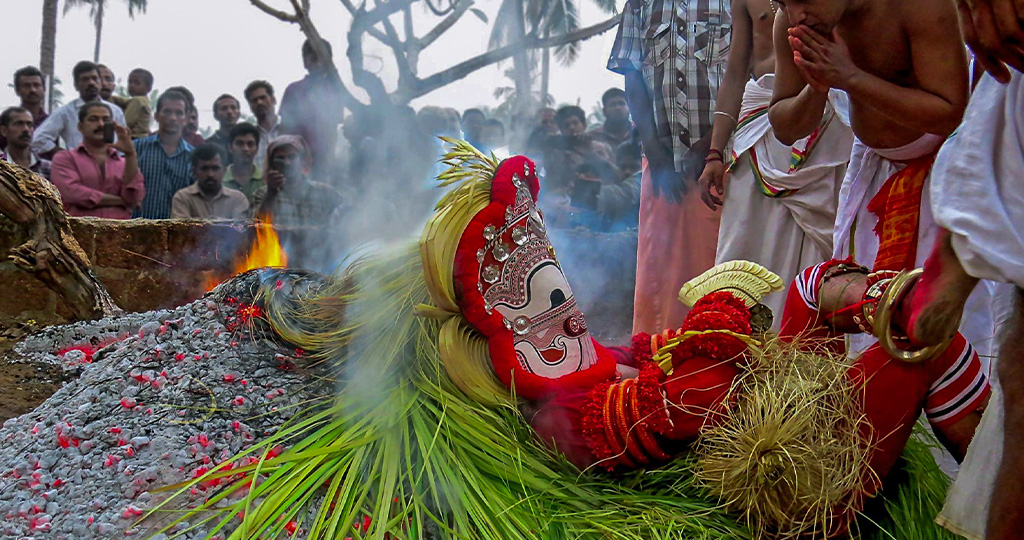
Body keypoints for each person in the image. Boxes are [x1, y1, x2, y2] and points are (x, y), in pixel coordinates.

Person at [767, 0, 1004, 357]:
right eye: (783, 2)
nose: (795, 14)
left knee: (953, 328)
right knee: (869, 323)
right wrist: (816, 88)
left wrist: (849, 78)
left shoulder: (919, 7)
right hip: (873, 174)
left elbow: (950, 113)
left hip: (946, 173)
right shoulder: (794, 20)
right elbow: (784, 127)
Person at [695, 0, 853, 328]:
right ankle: (730, 342)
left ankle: (807, 344)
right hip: (759, 130)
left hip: (829, 124)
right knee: (743, 243)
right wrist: (715, 152)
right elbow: (736, 71)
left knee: (821, 249)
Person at [608, 0, 729, 333]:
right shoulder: (641, 4)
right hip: (663, 167)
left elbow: (749, 73)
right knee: (662, 280)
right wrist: (657, 154)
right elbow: (632, 80)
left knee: (723, 268)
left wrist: (710, 146)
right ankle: (663, 365)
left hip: (724, 164)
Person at [48, 102, 144, 219]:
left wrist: (130, 154)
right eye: (93, 119)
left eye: (106, 120)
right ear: (80, 127)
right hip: (80, 233)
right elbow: (73, 194)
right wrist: (121, 201)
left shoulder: (124, 163)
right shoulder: (64, 159)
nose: (101, 124)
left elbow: (133, 197)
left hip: (119, 234)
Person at [280, 38, 346, 177]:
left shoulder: (335, 91)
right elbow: (284, 130)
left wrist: (330, 158)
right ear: (305, 62)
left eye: (323, 58)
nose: (319, 63)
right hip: (297, 161)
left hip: (325, 162)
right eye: (313, 58)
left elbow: (334, 129)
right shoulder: (294, 90)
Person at [32, 61, 126, 157]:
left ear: (100, 83)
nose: (91, 83)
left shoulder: (115, 111)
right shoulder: (66, 112)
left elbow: (123, 145)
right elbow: (37, 140)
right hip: (77, 169)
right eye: (85, 79)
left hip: (111, 168)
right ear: (76, 85)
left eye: (95, 78)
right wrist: (67, 156)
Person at [252, 135, 343, 227]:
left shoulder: (325, 193)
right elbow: (257, 227)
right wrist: (271, 194)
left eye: (292, 157)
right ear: (272, 164)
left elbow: (349, 216)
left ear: (302, 160)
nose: (287, 163)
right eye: (280, 158)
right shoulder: (262, 194)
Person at [134, 90, 194, 219]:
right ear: (156, 116)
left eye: (179, 113)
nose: (173, 118)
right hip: (137, 228)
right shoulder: (137, 148)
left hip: (175, 231)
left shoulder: (193, 157)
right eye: (167, 111)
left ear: (186, 119)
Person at [170, 143, 249, 220]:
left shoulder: (237, 199)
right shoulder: (183, 198)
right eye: (204, 169)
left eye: (215, 168)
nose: (210, 174)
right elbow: (181, 231)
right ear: (194, 171)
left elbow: (241, 230)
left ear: (224, 170)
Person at [0, 67, 49, 151]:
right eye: (27, 86)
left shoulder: (51, 121)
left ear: (44, 89)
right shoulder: (6, 120)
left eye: (36, 85)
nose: (32, 90)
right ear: (17, 90)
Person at [0, 107, 52, 180]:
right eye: (19, 124)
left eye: (29, 124)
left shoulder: (48, 168)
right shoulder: (1, 168)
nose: (26, 129)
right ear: (4, 131)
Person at [222, 122, 264, 205]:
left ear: (257, 149)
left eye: (250, 144)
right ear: (230, 148)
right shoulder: (219, 179)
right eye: (240, 144)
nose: (245, 149)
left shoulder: (265, 180)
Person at [108, 68, 153, 139]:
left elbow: (126, 122)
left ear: (149, 88)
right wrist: (111, 97)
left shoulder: (138, 100)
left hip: (135, 138)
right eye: (130, 82)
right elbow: (124, 101)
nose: (132, 86)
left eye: (137, 83)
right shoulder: (144, 100)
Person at [244, 80, 281, 170]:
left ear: (273, 100)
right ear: (250, 107)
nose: (259, 102)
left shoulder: (291, 128)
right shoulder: (249, 138)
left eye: (263, 98)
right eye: (254, 100)